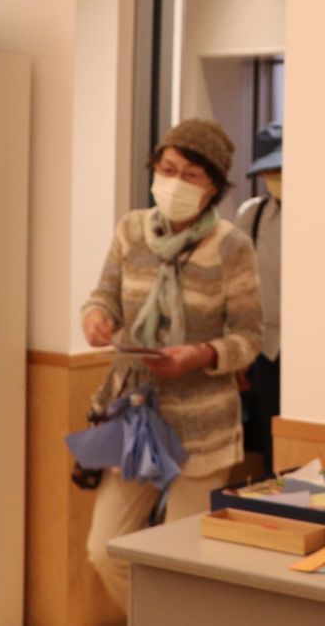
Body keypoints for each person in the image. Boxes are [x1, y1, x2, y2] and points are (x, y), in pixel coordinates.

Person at [81, 119, 264, 612]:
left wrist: (201, 355)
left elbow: (249, 338)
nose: (176, 182)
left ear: (214, 188)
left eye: (192, 175)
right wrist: (96, 318)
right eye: (168, 169)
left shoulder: (231, 246)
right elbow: (104, 297)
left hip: (204, 424)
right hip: (135, 414)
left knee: (184, 561)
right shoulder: (131, 230)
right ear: (154, 169)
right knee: (105, 549)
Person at [236, 122, 283, 471]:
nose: (275, 177)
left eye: (280, 169)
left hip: (307, 349)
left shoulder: (317, 214)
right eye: (268, 170)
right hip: (264, 349)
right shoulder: (251, 215)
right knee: (268, 444)